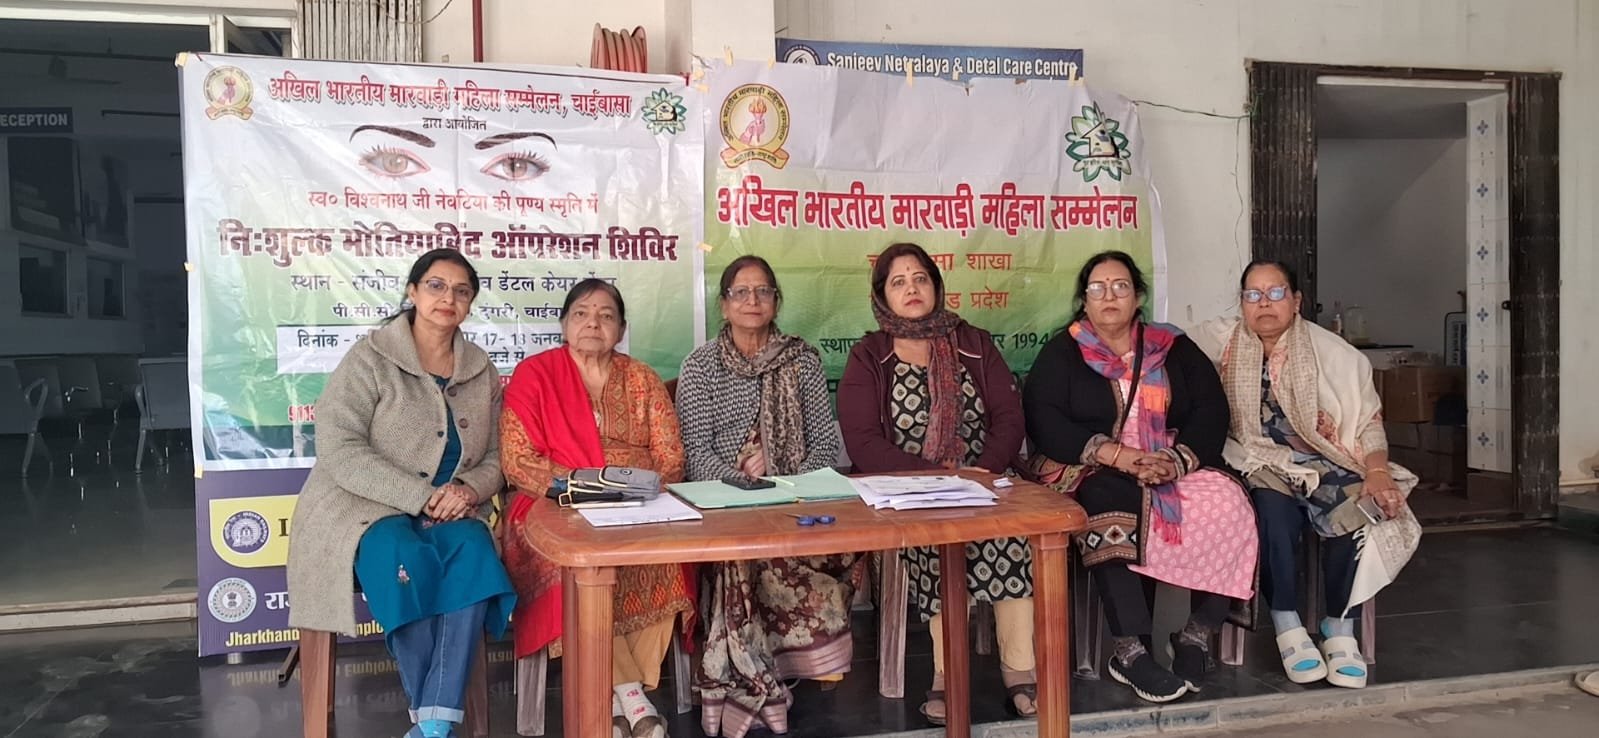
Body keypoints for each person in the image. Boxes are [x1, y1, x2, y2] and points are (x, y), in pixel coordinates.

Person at [286, 249, 516, 738]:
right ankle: (435, 719)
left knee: (474, 550)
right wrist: (420, 497)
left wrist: (467, 489)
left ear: (470, 303)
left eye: (461, 291)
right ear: (413, 291)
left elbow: (500, 455)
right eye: (436, 285)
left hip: (452, 508)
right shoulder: (370, 358)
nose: (447, 298)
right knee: (400, 554)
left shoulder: (480, 369)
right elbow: (339, 447)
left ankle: (433, 723)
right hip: (363, 508)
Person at [1022, 251, 1256, 703]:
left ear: (1138, 297)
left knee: (1230, 502)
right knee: (1107, 501)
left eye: (1121, 286)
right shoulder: (1062, 352)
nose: (1109, 296)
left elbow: (1211, 408)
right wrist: (1117, 455)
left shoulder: (1173, 347)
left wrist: (1175, 460)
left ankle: (1195, 635)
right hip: (1093, 462)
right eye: (1098, 288)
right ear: (1084, 300)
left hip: (1169, 460)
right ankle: (1130, 651)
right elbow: (1044, 419)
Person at [837, 242, 1036, 724]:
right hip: (907, 489)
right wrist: (931, 479)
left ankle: (1020, 670)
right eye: (898, 282)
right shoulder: (870, 355)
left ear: (936, 286)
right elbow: (863, 441)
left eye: (920, 278)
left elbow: (1008, 417)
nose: (912, 288)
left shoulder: (973, 342)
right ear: (882, 295)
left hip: (984, 479)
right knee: (940, 542)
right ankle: (948, 675)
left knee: (1011, 536)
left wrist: (981, 471)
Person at [1198, 259, 1421, 690]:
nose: (1264, 304)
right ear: (1241, 303)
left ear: (1296, 301)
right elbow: (1165, 347)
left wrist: (1376, 470)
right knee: (1273, 514)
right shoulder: (1220, 340)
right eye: (1253, 295)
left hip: (1328, 459)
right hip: (1257, 460)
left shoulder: (1334, 354)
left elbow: (1367, 421)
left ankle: (1339, 624)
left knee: (1359, 509)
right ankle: (1287, 622)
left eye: (1276, 293)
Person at [499, 279, 691, 738]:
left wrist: (641, 492)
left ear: (621, 329)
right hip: (555, 503)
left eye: (606, 316)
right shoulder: (535, 375)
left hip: (638, 504)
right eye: (582, 314)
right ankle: (632, 696)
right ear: (564, 324)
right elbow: (517, 459)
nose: (593, 323)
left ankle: (612, 703)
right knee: (577, 563)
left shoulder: (642, 378)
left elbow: (671, 457)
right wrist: (583, 489)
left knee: (664, 555)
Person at [675, 256, 852, 737]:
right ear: (724, 304)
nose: (752, 301)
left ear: (776, 301)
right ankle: (758, 676)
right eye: (741, 292)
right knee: (743, 551)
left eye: (763, 291)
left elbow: (824, 445)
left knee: (804, 545)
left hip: (796, 495)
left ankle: (774, 667)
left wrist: (779, 470)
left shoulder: (803, 360)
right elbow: (695, 455)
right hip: (723, 498)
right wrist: (746, 484)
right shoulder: (700, 366)